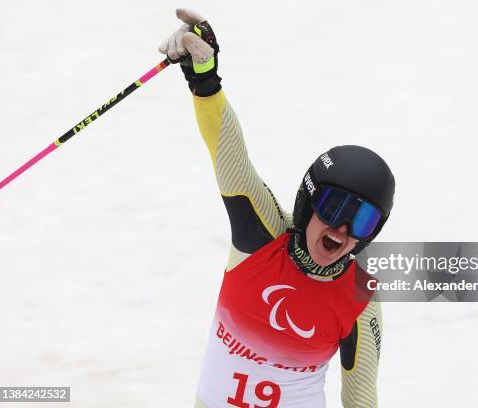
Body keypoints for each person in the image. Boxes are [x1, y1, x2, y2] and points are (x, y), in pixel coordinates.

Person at [159, 9, 395, 408]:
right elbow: (229, 155)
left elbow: (361, 397)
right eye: (334, 207)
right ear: (308, 200)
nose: (342, 228)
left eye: (363, 219)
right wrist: (205, 78)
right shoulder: (264, 235)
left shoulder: (359, 296)